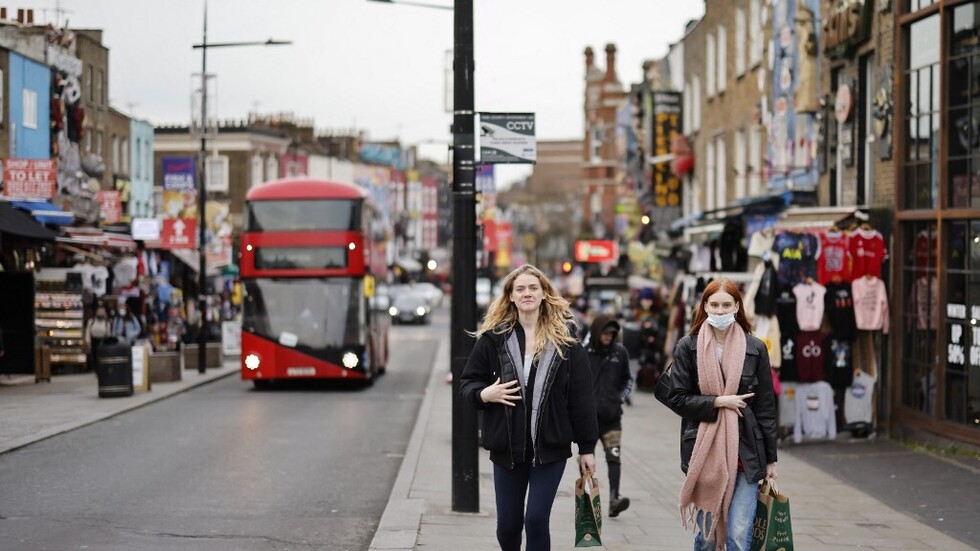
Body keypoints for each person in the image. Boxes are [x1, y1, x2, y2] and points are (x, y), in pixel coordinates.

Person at [458, 264, 598, 551]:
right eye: (520, 289)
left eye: (533, 288)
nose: (527, 293)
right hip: (507, 448)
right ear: (510, 296)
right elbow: (467, 384)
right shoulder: (494, 339)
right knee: (508, 527)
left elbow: (582, 398)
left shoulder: (566, 342)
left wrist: (587, 448)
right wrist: (485, 393)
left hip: (550, 449)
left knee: (535, 520)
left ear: (544, 293)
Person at [662, 279, 778, 551]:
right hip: (705, 451)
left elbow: (766, 408)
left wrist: (771, 459)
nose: (720, 311)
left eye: (726, 305)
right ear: (704, 306)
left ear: (737, 306)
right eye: (714, 305)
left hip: (747, 452)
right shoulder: (688, 347)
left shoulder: (756, 348)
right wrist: (718, 402)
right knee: (708, 538)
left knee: (738, 534)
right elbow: (676, 398)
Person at [585, 313, 633, 517]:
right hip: (588, 420)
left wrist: (618, 399)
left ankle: (614, 499)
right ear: (596, 332)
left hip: (612, 419)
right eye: (604, 333)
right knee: (587, 460)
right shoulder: (584, 352)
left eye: (611, 334)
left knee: (614, 457)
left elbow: (628, 380)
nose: (608, 337)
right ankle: (588, 501)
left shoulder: (620, 353)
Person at [85, 306, 111, 370]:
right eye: (99, 311)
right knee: (94, 356)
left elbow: (108, 334)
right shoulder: (91, 321)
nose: (100, 313)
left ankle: (102, 369)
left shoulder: (106, 323)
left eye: (102, 312)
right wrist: (88, 342)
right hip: (94, 340)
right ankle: (95, 369)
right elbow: (88, 332)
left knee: (102, 356)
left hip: (103, 341)